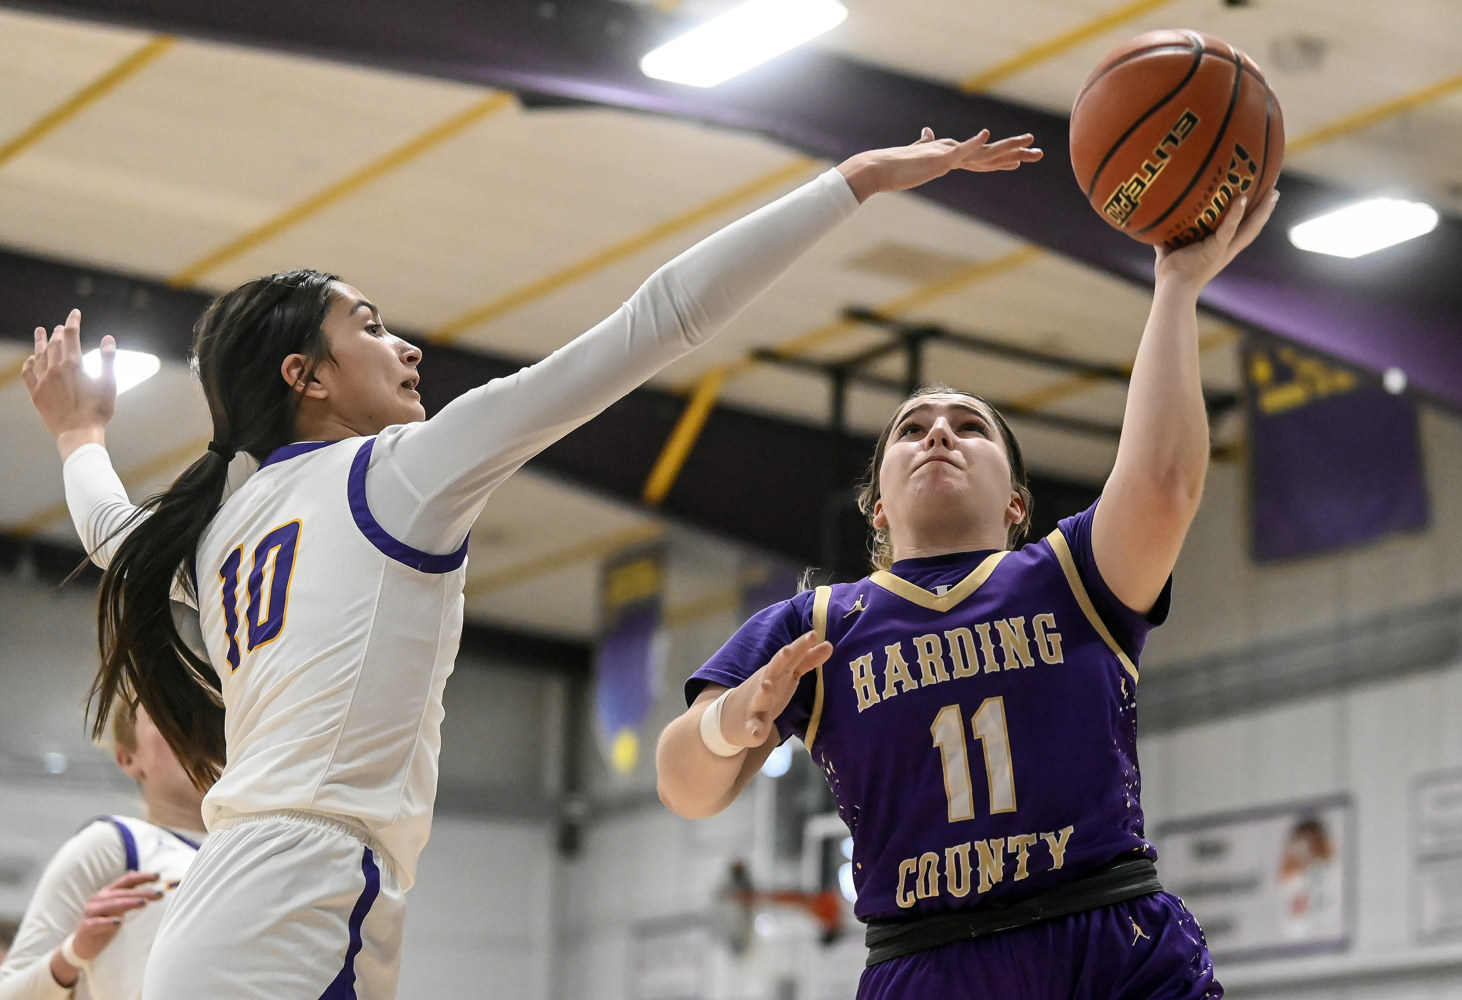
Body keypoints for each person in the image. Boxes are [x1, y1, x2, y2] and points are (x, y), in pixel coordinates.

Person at [20, 127, 1044, 1000]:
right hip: (295, 899)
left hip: (248, 904)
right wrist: (850, 182)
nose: (406, 348)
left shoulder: (225, 523)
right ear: (309, 378)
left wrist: (78, 434)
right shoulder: (398, 476)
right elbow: (656, 322)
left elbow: (116, 533)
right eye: (370, 328)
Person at [657, 191, 1280, 999]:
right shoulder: (816, 623)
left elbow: (1163, 482)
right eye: (912, 429)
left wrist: (1177, 288)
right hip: (929, 960)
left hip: (1106, 935)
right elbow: (682, 785)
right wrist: (727, 722)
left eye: (970, 426)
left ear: (1017, 503)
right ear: (879, 506)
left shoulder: (1072, 574)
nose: (940, 433)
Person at [0, 703, 205, 1000]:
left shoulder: (264, 846)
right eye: (177, 716)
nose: (202, 733)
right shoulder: (114, 844)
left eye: (216, 716)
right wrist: (73, 954)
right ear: (127, 758)